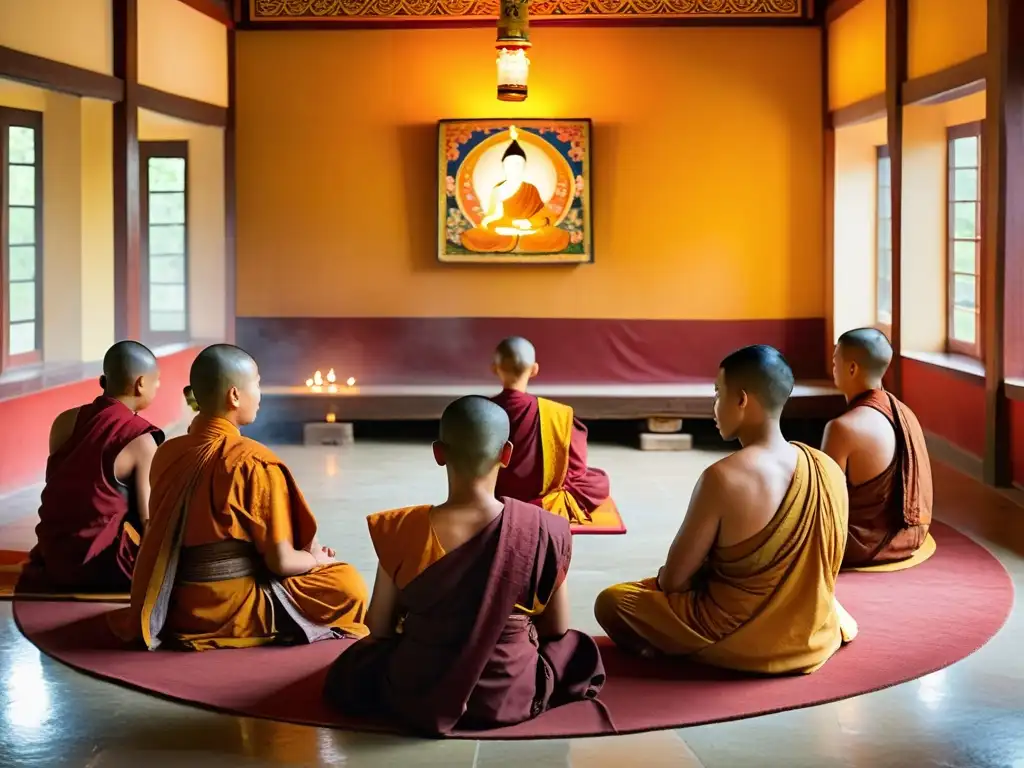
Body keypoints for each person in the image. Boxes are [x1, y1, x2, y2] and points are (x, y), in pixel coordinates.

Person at [323, 396, 605, 736]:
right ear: (507, 454)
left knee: (356, 665)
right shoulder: (544, 528)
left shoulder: (402, 528)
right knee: (577, 648)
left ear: (439, 453)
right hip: (508, 693)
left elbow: (379, 628)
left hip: (417, 689)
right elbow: (556, 628)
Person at [594, 345, 857, 674]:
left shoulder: (721, 478)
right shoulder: (826, 467)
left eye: (718, 393)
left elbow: (675, 580)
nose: (715, 406)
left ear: (742, 400)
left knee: (612, 601)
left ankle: (700, 652)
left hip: (729, 632)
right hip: (809, 632)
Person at [110, 344, 368, 651]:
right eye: (257, 384)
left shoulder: (167, 452)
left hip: (176, 603)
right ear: (234, 395)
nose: (260, 394)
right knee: (347, 582)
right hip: (231, 606)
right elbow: (281, 561)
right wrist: (316, 559)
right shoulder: (254, 462)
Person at [20, 341, 164, 593]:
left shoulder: (64, 422)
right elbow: (147, 519)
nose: (158, 386)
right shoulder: (141, 440)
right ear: (141, 383)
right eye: (157, 381)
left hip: (53, 559)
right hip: (102, 567)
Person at [822, 328, 933, 568]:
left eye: (835, 361)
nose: (832, 367)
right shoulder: (905, 412)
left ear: (852, 368)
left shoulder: (841, 428)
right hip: (910, 537)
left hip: (863, 545)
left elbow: (826, 504)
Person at [490, 336, 616, 526]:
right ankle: (536, 505)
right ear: (534, 370)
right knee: (598, 481)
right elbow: (576, 469)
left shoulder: (480, 411)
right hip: (541, 496)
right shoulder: (555, 414)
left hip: (493, 494)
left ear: (494, 368)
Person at [460, 126, 571, 254]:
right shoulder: (498, 190)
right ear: (504, 166)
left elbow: (543, 213)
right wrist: (491, 221)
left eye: (518, 164)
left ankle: (520, 242)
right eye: (510, 163)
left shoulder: (530, 188)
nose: (514, 167)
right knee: (481, 235)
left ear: (524, 166)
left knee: (553, 235)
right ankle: (518, 242)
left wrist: (529, 223)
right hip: (505, 228)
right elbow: (495, 215)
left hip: (529, 229)